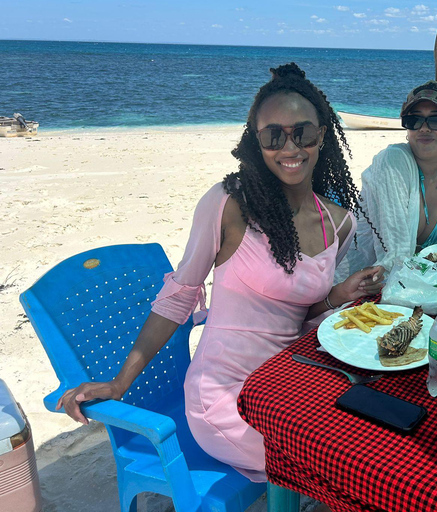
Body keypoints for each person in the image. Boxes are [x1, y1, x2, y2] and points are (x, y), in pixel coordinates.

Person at [56, 63, 383, 486]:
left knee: (375, 431)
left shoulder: (338, 222)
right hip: (226, 395)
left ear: (323, 134)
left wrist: (339, 294)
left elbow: (296, 314)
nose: (290, 146)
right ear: (256, 142)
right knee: (343, 461)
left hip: (291, 379)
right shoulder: (230, 205)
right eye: (273, 135)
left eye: (302, 132)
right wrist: (120, 383)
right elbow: (178, 298)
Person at [337, 79, 437, 281]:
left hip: (419, 283)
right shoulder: (392, 161)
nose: (424, 128)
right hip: (360, 286)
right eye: (414, 120)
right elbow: (395, 256)